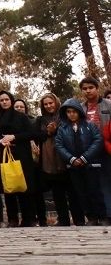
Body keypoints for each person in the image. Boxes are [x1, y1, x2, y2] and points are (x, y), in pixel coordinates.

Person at [0, 90, 40, 227]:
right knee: (8, 186)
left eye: (6, 99)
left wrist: (14, 137)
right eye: (1, 100)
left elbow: (31, 133)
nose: (4, 102)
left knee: (23, 187)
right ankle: (12, 219)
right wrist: (1, 140)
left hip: (22, 156)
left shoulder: (21, 117)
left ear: (11, 100)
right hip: (4, 155)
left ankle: (28, 219)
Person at [54, 97, 104, 226]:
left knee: (95, 191)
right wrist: (71, 159)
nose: (71, 114)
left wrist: (84, 157)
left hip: (91, 165)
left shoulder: (89, 125)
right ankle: (91, 217)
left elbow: (97, 141)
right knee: (81, 193)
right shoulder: (62, 129)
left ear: (79, 112)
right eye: (69, 111)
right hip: (73, 166)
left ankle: (102, 216)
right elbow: (59, 145)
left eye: (74, 111)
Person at [36, 93, 75, 226]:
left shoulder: (65, 116)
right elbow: (38, 136)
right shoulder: (40, 120)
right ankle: (63, 220)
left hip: (65, 156)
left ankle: (79, 219)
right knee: (57, 193)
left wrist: (56, 130)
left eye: (50, 103)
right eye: (45, 104)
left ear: (56, 102)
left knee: (72, 192)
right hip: (50, 159)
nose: (48, 106)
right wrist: (47, 132)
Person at [79, 77, 111, 225]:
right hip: (88, 151)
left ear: (97, 88)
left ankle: (108, 215)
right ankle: (96, 216)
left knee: (106, 183)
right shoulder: (80, 108)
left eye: (91, 87)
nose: (88, 91)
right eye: (85, 88)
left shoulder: (108, 104)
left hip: (106, 149)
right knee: (91, 185)